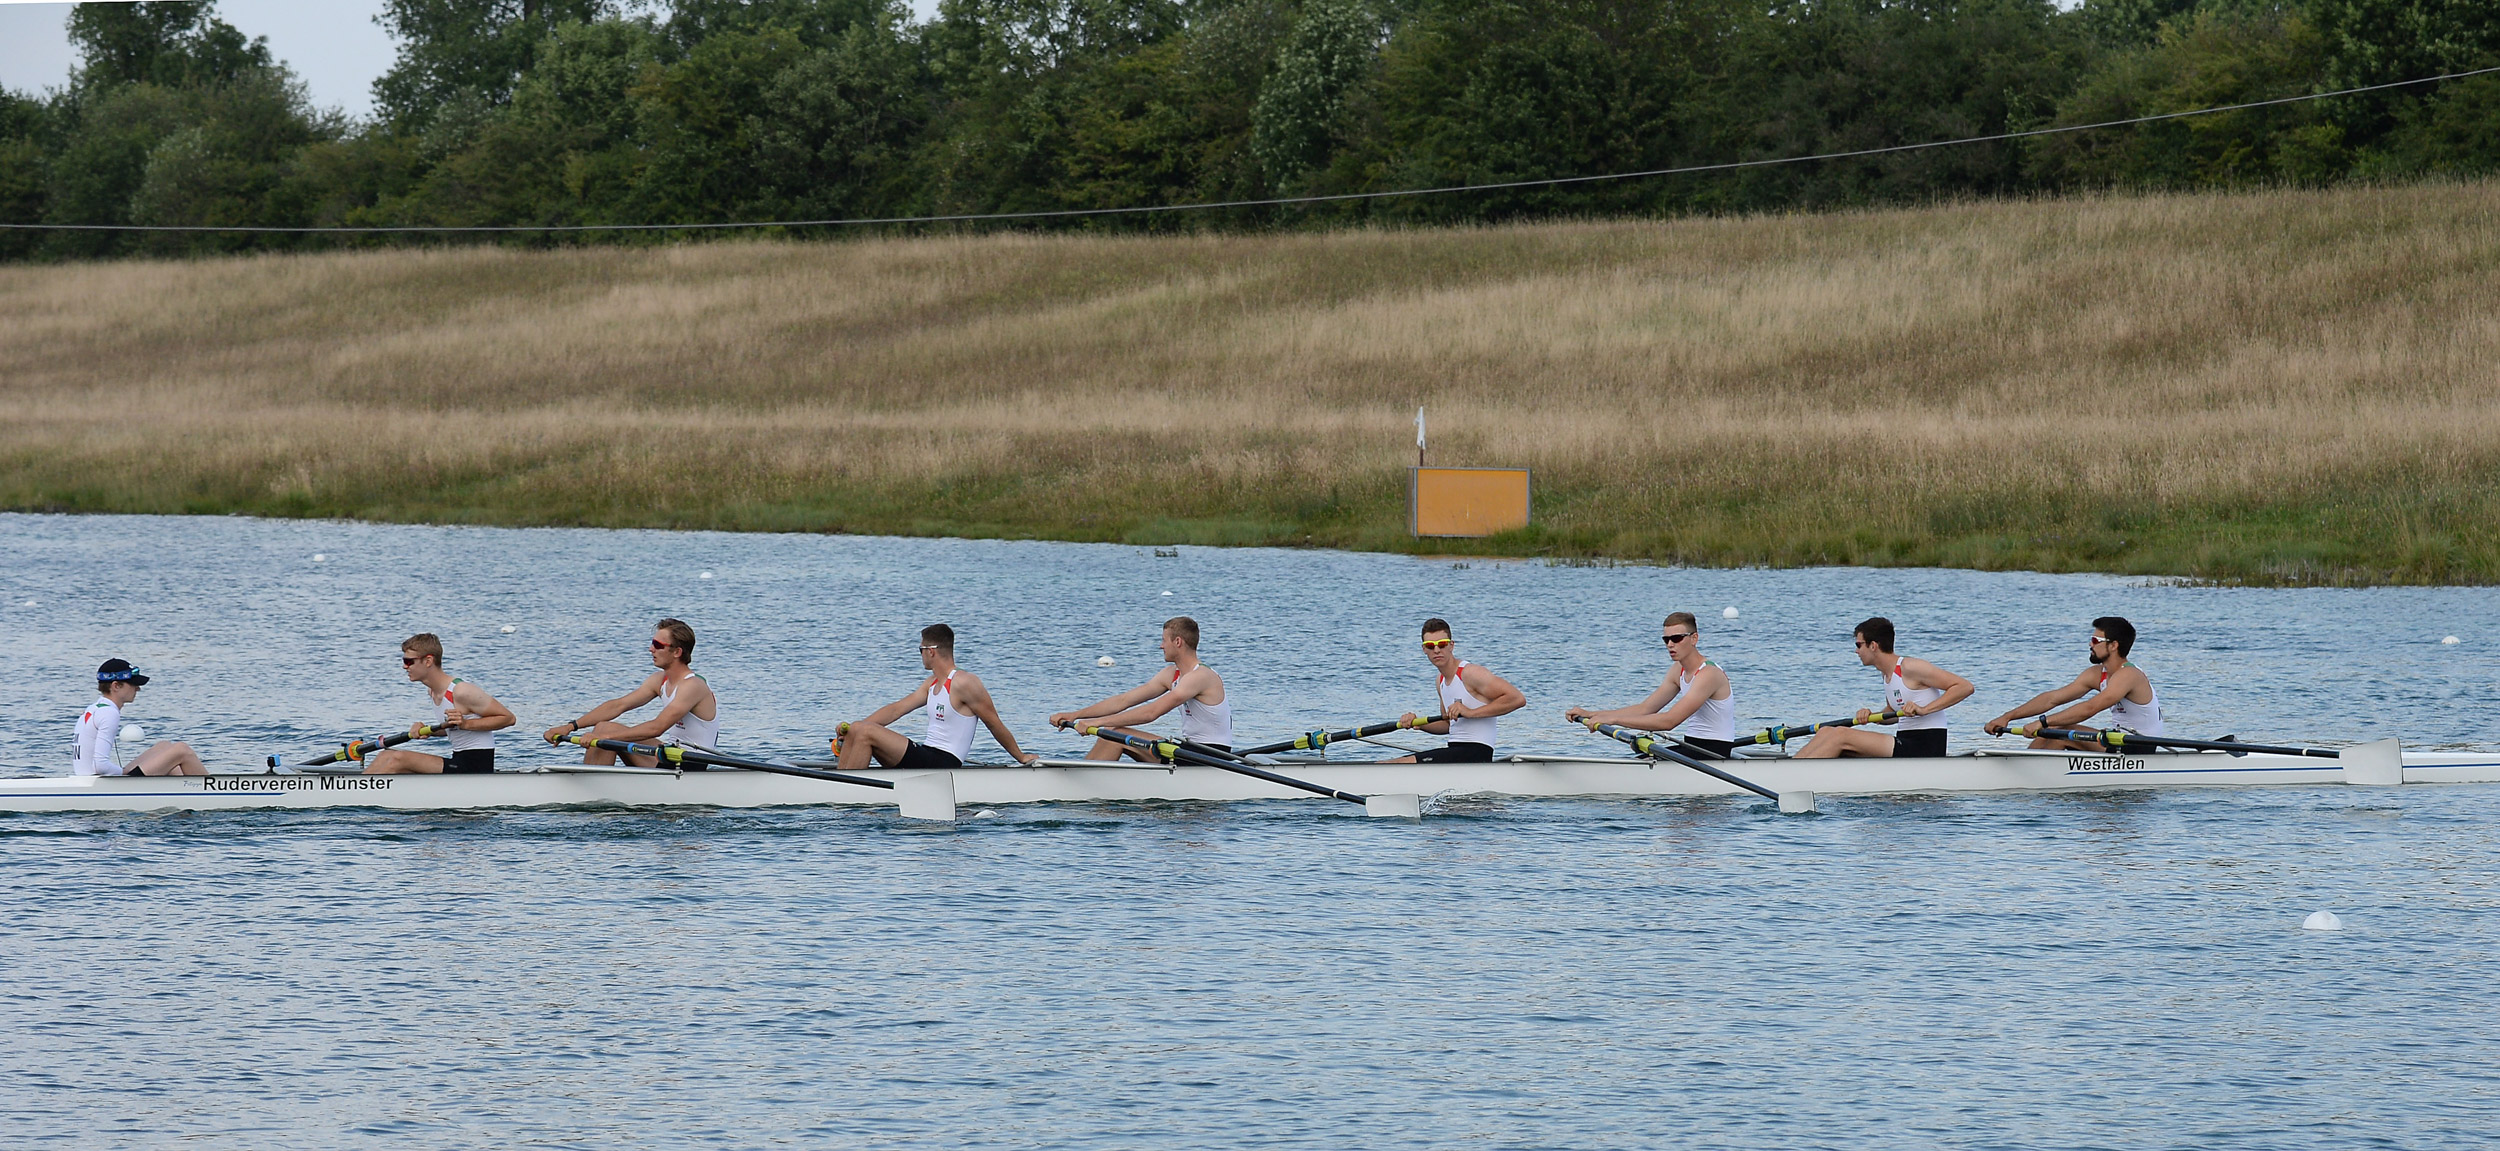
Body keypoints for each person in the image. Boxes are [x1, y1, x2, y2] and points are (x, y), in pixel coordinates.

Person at [832, 624, 1039, 773]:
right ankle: (842, 785)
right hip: (927, 755)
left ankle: (848, 794)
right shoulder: (931, 683)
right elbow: (897, 709)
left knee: (866, 731)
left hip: (944, 764)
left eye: (920, 650)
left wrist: (1020, 757)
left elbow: (994, 723)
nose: (920, 654)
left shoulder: (965, 682)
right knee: (859, 728)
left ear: (931, 652)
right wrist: (852, 729)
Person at [1048, 617, 1231, 762]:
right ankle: (1085, 778)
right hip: (1188, 750)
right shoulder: (1171, 674)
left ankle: (1081, 789)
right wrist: (1076, 715)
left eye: (1163, 640)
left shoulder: (1200, 676)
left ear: (1177, 642)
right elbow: (1123, 701)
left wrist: (1097, 723)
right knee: (1113, 730)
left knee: (1115, 733)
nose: (1161, 646)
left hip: (1211, 755)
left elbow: (1151, 713)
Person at [542, 618, 720, 767]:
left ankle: (593, 795)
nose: (651, 649)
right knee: (604, 726)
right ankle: (593, 789)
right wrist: (570, 726)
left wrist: (604, 738)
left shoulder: (693, 686)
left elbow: (657, 727)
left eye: (658, 645)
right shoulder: (659, 680)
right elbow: (618, 705)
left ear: (677, 652)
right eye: (652, 643)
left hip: (691, 763)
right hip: (670, 754)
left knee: (605, 732)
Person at [1564, 611, 1736, 758]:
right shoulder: (1678, 670)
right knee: (1643, 757)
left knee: (1644, 759)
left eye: (1676, 638)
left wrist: (1614, 720)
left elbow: (1670, 721)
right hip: (1693, 748)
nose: (1670, 645)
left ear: (1694, 638)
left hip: (1715, 753)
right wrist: (1592, 713)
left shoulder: (1709, 674)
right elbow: (1645, 708)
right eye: (1666, 639)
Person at [1797, 617, 1974, 759]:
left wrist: (1924, 709)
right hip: (1905, 742)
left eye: (1859, 645)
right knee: (1827, 731)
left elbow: (1964, 686)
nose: (1856, 651)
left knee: (1841, 735)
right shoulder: (1887, 674)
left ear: (1873, 646)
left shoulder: (1910, 667)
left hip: (1926, 747)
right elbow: (1892, 713)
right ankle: (1793, 769)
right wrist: (1872, 716)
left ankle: (1795, 777)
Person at [1983, 616, 2164, 749]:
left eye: (2095, 640)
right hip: (2116, 740)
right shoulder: (2096, 674)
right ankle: (2025, 767)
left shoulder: (2129, 675)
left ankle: (2030, 781)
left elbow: (2090, 708)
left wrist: (2042, 723)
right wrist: (2007, 717)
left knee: (2060, 731)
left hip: (2140, 746)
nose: (2090, 645)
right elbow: (2051, 699)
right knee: (2055, 727)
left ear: (2113, 645)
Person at [369, 634, 516, 774]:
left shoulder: (462, 691)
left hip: (476, 767)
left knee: (398, 759)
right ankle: (357, 791)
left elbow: (508, 718)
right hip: (459, 760)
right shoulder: (432, 692)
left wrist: (465, 724)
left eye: (409, 661)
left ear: (428, 661)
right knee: (385, 755)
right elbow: (452, 728)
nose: (405, 667)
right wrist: (425, 730)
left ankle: (362, 794)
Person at [1388, 618, 1525, 763]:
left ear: (1451, 645)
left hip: (1477, 753)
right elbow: (1447, 725)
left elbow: (1517, 699)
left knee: (1396, 764)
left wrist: (1470, 713)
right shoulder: (1440, 681)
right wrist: (1418, 723)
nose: (1436, 650)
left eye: (1442, 644)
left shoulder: (1471, 673)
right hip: (1455, 751)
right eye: (1430, 646)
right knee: (1390, 763)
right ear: (1424, 649)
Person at [73, 659, 206, 777]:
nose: (138, 689)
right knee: (181, 750)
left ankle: (186, 792)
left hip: (88, 777)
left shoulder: (93, 708)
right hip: (97, 781)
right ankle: (214, 791)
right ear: (115, 686)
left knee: (164, 746)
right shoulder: (109, 713)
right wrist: (124, 773)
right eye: (133, 684)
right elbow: (101, 766)